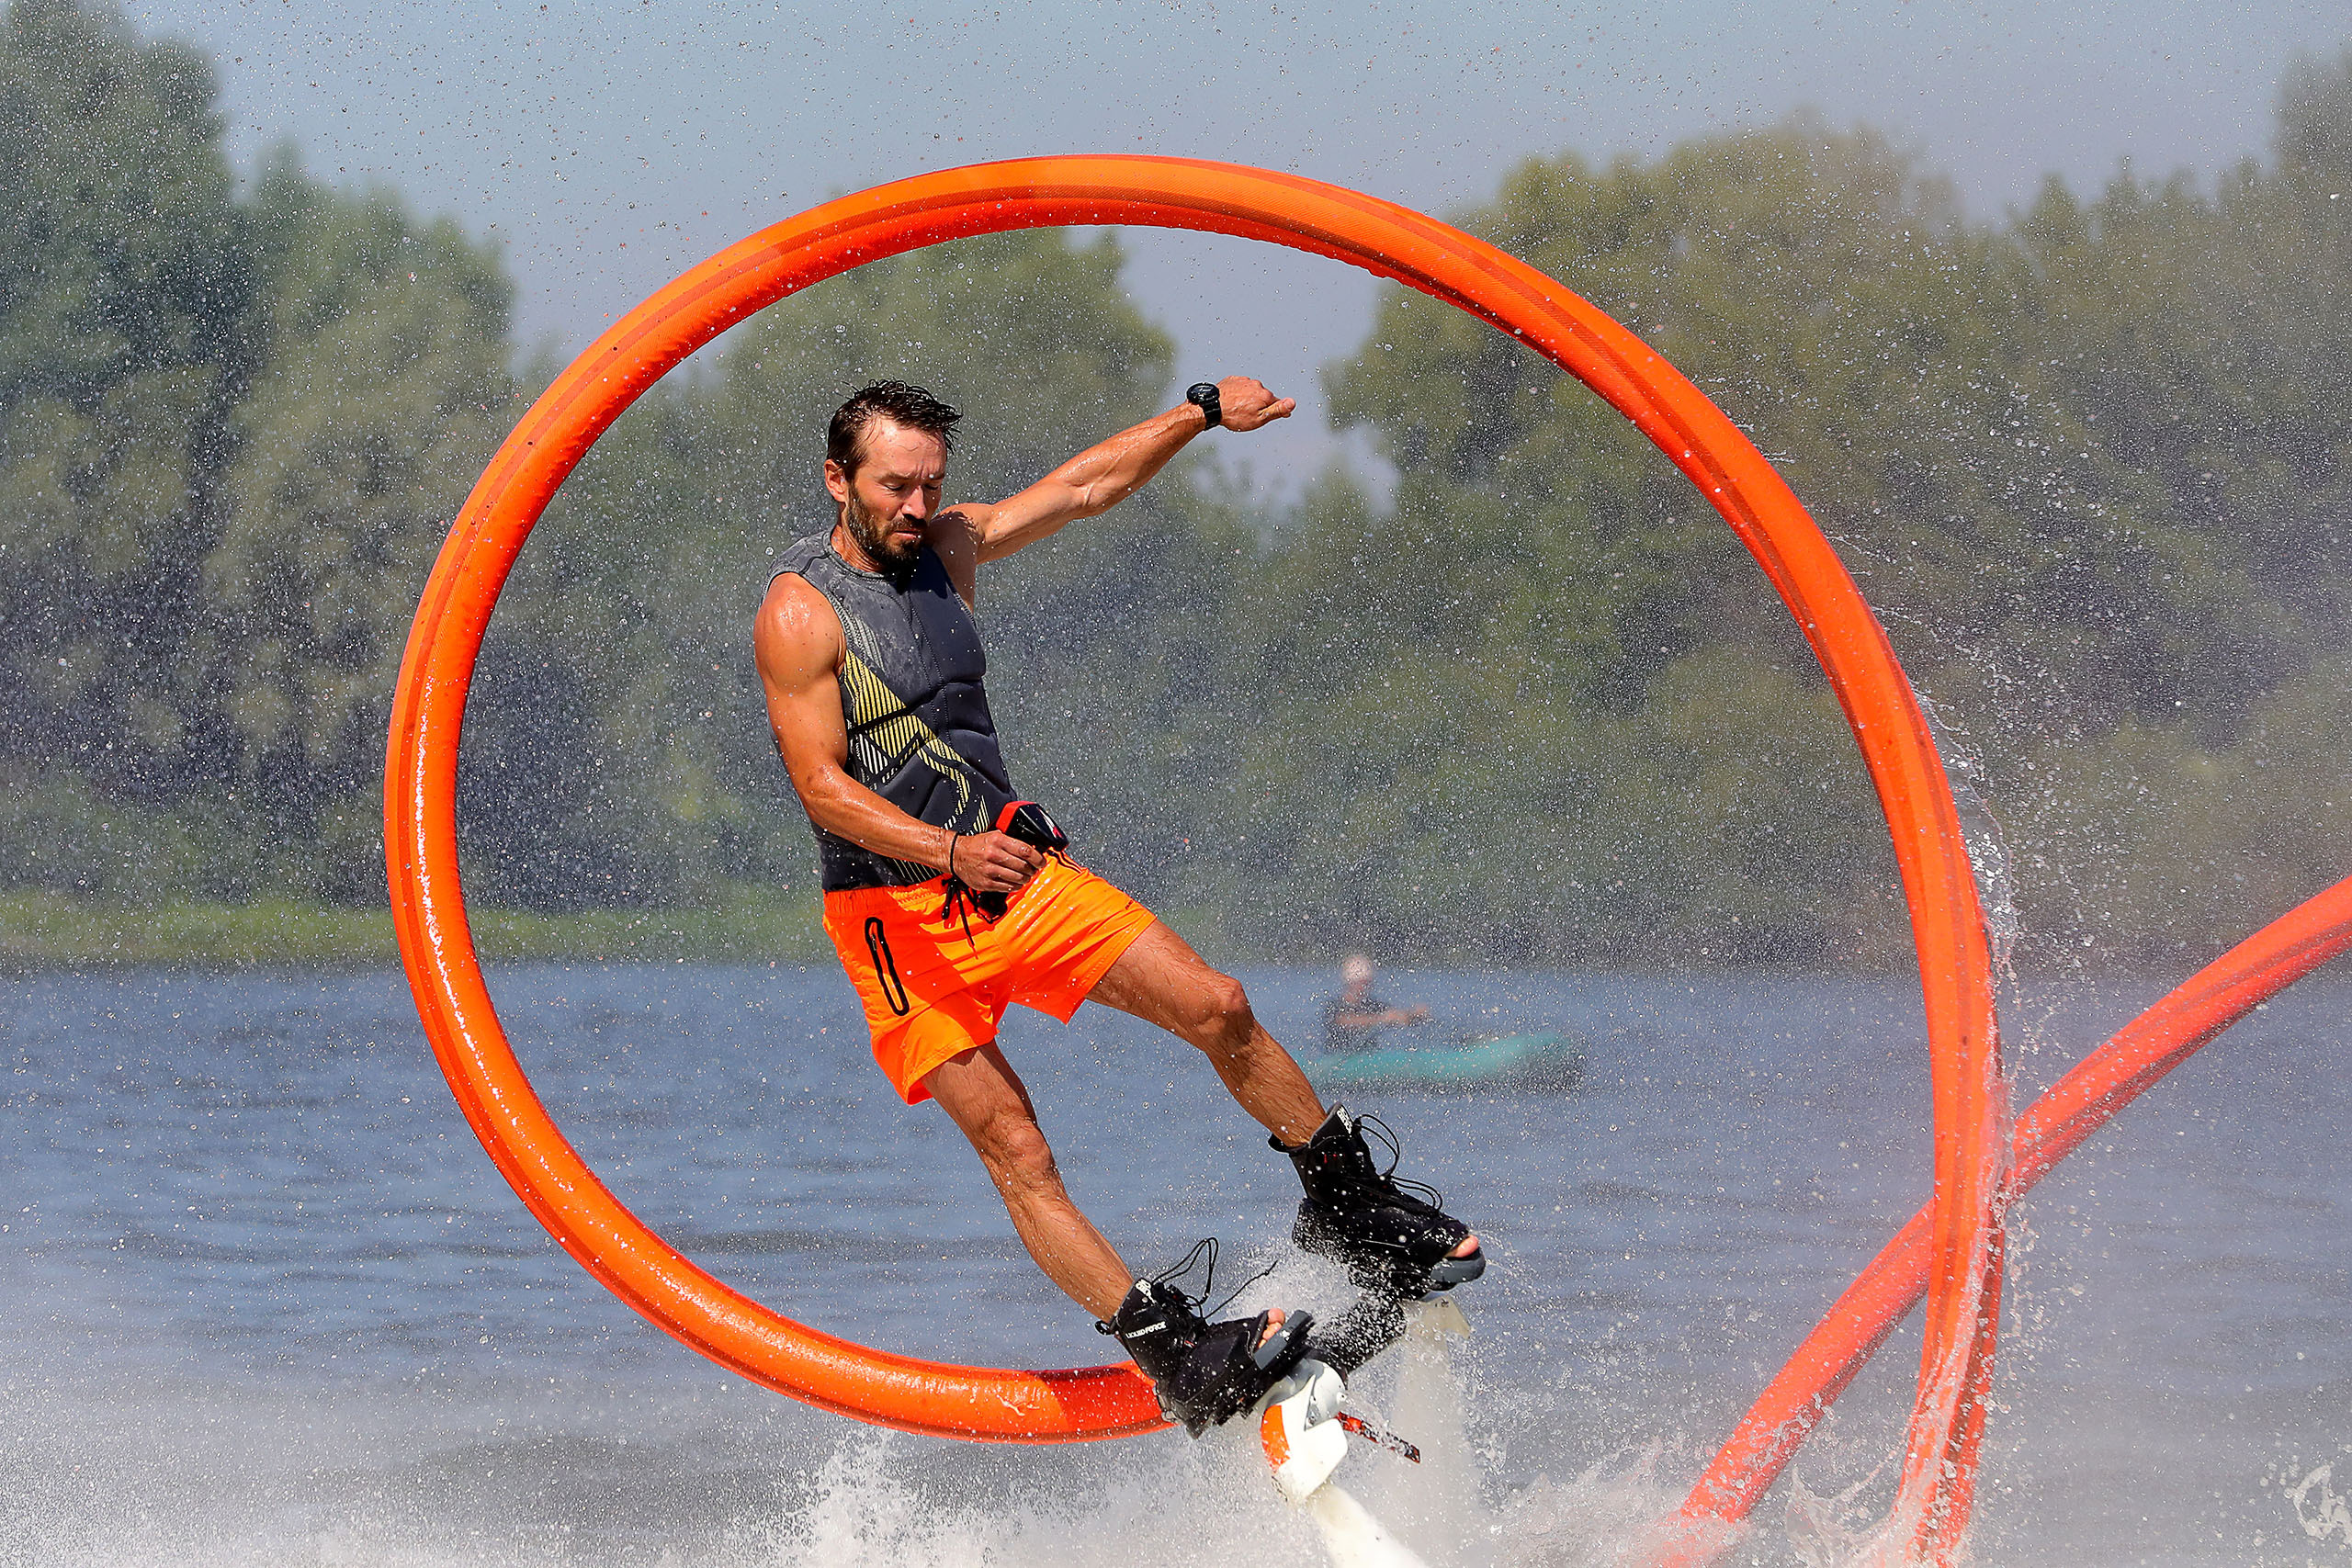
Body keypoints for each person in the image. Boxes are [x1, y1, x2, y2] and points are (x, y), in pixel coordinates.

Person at [752, 378, 1485, 1435]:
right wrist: (953, 851)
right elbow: (821, 786)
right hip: (896, 921)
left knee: (1218, 1003)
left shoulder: (950, 552)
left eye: (930, 485)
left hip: (1013, 879)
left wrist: (1195, 413)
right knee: (1020, 1153)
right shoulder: (798, 609)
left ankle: (1347, 1206)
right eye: (894, 487)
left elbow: (1086, 487)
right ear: (838, 480)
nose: (917, 507)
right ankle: (1176, 1352)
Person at [1322, 953, 1432, 1055]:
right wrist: (1381, 1018)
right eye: (1361, 983)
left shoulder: (1372, 1006)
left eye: (1367, 983)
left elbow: (1395, 1015)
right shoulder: (1335, 1006)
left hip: (1368, 1056)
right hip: (1338, 1055)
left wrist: (1414, 1015)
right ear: (1349, 983)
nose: (1364, 987)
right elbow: (1345, 1021)